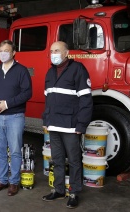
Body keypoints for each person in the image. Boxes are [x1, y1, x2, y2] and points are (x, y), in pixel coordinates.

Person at [42, 41, 93, 209]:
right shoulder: (50, 72)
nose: (53, 53)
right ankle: (58, 190)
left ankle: (74, 192)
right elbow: (48, 100)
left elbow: (86, 99)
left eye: (57, 50)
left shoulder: (78, 69)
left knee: (74, 160)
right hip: (54, 125)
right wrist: (46, 121)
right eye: (51, 51)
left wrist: (81, 125)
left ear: (66, 53)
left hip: (71, 125)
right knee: (57, 160)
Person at [0, 40, 32, 196]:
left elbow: (27, 93)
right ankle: (2, 180)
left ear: (13, 53)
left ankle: (14, 182)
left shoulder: (22, 71)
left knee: (15, 151)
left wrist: (7, 104)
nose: (3, 53)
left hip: (14, 117)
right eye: (1, 51)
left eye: (6, 50)